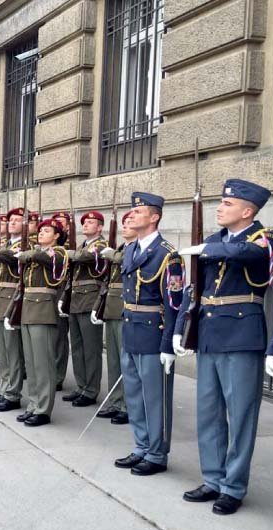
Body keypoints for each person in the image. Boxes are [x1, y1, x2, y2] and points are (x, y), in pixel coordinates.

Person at [176, 179, 273, 514]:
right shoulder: (214, 241)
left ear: (248, 210)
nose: (219, 208)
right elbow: (197, 292)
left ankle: (233, 487)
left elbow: (248, 253)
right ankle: (213, 479)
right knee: (208, 413)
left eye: (227, 204)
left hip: (242, 337)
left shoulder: (265, 239)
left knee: (241, 414)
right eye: (220, 203)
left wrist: (206, 250)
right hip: (209, 335)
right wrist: (183, 330)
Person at [113, 192, 183, 476]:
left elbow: (174, 303)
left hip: (154, 332)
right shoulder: (131, 249)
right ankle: (141, 446)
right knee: (134, 393)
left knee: (155, 397)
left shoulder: (168, 254)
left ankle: (157, 453)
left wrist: (169, 343)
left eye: (138, 211)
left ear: (154, 217)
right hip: (130, 327)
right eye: (132, 211)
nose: (132, 215)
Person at [13, 219, 69, 426]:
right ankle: (33, 404)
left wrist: (28, 253)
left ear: (56, 236)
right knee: (32, 362)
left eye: (47, 231)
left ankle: (44, 409)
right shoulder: (37, 253)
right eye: (40, 231)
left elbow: (45, 260)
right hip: (28, 307)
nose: (41, 234)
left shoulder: (59, 252)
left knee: (43, 363)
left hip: (44, 309)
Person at [94, 210, 136, 425]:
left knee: (125, 361)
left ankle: (128, 405)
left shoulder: (135, 248)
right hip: (111, 306)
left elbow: (125, 262)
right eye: (125, 222)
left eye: (130, 221)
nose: (126, 225)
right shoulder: (121, 247)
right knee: (112, 360)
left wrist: (110, 254)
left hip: (124, 307)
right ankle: (115, 400)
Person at [61, 211, 108, 407]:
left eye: (91, 222)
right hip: (75, 301)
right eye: (85, 222)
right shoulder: (81, 245)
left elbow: (86, 258)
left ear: (100, 227)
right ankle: (81, 386)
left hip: (90, 300)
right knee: (78, 348)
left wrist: (67, 254)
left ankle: (91, 390)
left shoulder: (101, 246)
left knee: (91, 349)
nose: (87, 225)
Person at [0, 208, 25, 412]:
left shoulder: (26, 246)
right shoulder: (7, 244)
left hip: (12, 297)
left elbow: (9, 258)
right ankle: (5, 389)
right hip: (0, 296)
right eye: (10, 221)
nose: (12, 223)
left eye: (17, 220)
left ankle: (13, 393)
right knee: (2, 350)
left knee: (12, 351)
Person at [52, 211, 71, 391]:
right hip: (54, 291)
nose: (57, 223)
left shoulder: (66, 245)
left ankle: (57, 375)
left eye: (61, 222)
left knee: (60, 336)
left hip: (65, 292)